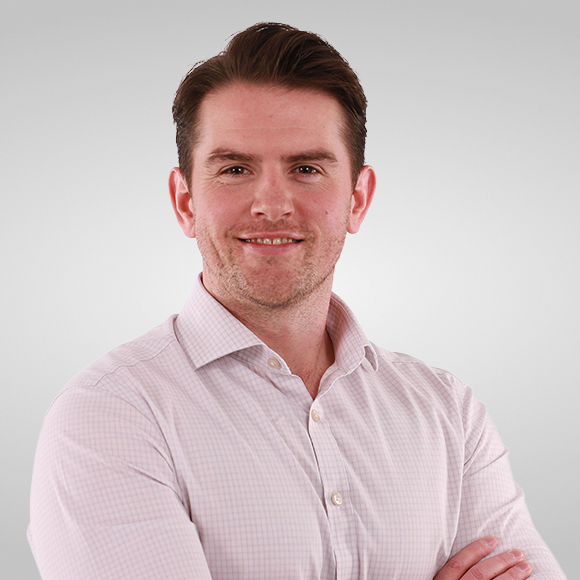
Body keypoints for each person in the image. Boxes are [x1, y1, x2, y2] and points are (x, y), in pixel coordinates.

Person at [28, 22, 565, 580]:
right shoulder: (109, 415)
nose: (272, 204)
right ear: (185, 202)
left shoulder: (447, 412)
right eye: (235, 169)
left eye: (306, 169)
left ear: (358, 199)